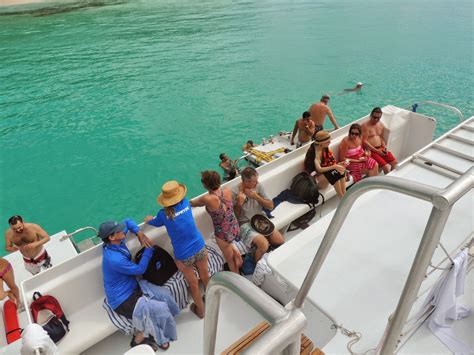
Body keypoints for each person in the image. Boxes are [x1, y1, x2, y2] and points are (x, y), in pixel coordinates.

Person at [100, 218, 177, 350]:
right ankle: (141, 341)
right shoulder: (114, 259)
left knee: (165, 294)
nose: (122, 230)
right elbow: (140, 269)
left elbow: (128, 221)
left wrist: (139, 233)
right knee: (159, 309)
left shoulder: (117, 240)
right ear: (112, 237)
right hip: (123, 300)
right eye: (118, 230)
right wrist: (148, 249)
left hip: (133, 286)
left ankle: (168, 320)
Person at [145, 180, 209, 319]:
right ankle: (212, 299)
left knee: (193, 284)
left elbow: (155, 223)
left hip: (184, 255)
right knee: (205, 276)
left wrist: (148, 219)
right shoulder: (186, 203)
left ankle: (201, 311)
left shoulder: (162, 215)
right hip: (199, 246)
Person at [190, 171, 242, 273]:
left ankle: (238, 277)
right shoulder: (227, 190)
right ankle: (237, 255)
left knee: (230, 261)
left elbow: (193, 203)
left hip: (223, 234)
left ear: (205, 184)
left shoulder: (208, 198)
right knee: (230, 247)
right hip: (234, 226)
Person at [232, 167, 284, 263]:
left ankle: (259, 252)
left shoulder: (258, 187)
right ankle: (259, 268)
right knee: (264, 244)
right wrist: (239, 204)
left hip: (259, 218)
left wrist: (256, 197)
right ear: (246, 182)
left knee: (279, 240)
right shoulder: (234, 192)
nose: (257, 183)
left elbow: (271, 206)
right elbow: (234, 218)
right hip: (245, 223)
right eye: (254, 181)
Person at [304, 131, 347, 197]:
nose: (330, 142)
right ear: (321, 143)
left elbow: (332, 162)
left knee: (341, 170)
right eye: (327, 141)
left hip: (325, 177)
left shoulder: (325, 148)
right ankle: (341, 196)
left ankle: (345, 194)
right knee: (334, 173)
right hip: (315, 181)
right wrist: (335, 166)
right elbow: (319, 170)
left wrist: (339, 165)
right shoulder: (315, 153)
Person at [361, 107, 398, 174]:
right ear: (370, 116)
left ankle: (391, 180)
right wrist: (377, 151)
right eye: (374, 117)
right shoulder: (365, 126)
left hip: (380, 149)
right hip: (371, 151)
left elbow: (381, 138)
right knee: (386, 167)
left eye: (378, 118)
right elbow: (363, 141)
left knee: (395, 163)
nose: (376, 119)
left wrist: (385, 147)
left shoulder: (380, 125)